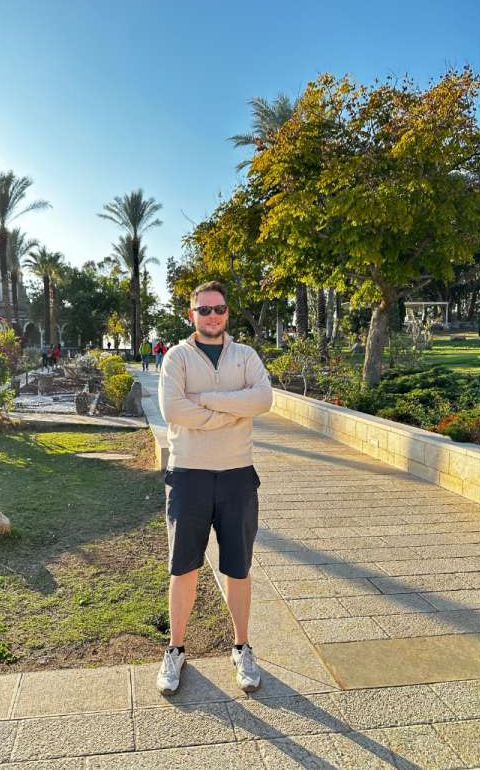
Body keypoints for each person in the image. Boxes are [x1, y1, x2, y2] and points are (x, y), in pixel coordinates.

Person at [155, 281, 273, 696]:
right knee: (183, 567)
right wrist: (229, 409)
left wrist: (205, 402)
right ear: (192, 315)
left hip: (238, 475)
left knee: (238, 567)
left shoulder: (246, 356)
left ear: (227, 313)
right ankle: (175, 650)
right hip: (189, 475)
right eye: (203, 310)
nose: (212, 316)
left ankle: (242, 646)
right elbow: (172, 409)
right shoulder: (177, 358)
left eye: (218, 309)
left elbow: (262, 399)